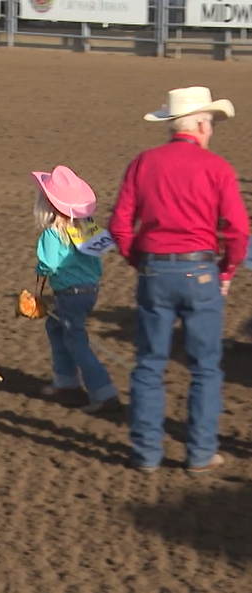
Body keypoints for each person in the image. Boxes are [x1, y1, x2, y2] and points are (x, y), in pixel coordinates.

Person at [108, 86, 250, 475]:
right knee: (205, 367)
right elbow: (238, 231)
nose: (212, 130)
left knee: (149, 364)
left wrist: (139, 261)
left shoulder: (144, 162)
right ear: (201, 125)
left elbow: (120, 224)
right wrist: (226, 270)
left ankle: (146, 453)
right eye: (212, 123)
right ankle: (201, 452)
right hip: (201, 272)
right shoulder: (217, 167)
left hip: (155, 269)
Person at [32, 166, 119, 414]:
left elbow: (48, 264)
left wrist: (40, 271)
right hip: (89, 290)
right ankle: (66, 381)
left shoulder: (52, 234)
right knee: (56, 326)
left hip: (69, 293)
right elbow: (97, 262)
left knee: (76, 340)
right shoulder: (87, 229)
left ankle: (103, 391)